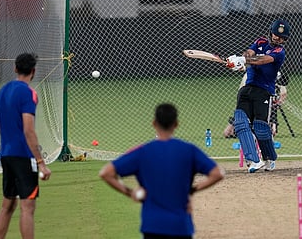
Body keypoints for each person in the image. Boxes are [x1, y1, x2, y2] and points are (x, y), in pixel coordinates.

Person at [99, 103, 224, 239]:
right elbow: (218, 174)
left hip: (152, 225)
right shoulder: (189, 150)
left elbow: (106, 173)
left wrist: (131, 193)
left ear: (154, 123)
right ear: (176, 124)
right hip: (180, 226)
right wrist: (192, 190)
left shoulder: (142, 152)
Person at [0, 53, 52, 239]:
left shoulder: (3, 91)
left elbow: (1, 128)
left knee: (7, 206)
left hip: (6, 154)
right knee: (27, 208)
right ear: (33, 72)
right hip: (23, 156)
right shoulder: (29, 94)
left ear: (15, 68)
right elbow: (28, 130)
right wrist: (41, 162)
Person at [226, 19, 290, 173]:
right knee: (240, 123)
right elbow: (249, 52)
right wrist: (239, 60)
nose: (277, 38)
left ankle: (269, 159)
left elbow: (262, 60)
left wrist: (245, 60)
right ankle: (253, 161)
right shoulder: (260, 41)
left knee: (261, 128)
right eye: (275, 34)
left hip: (264, 91)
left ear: (284, 40)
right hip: (247, 88)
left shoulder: (279, 52)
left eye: (281, 37)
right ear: (271, 32)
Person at [223, 71, 289, 138]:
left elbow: (283, 93)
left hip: (264, 101)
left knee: (270, 131)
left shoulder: (276, 74)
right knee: (228, 133)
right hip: (249, 97)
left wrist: (278, 102)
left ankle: (263, 127)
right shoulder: (249, 76)